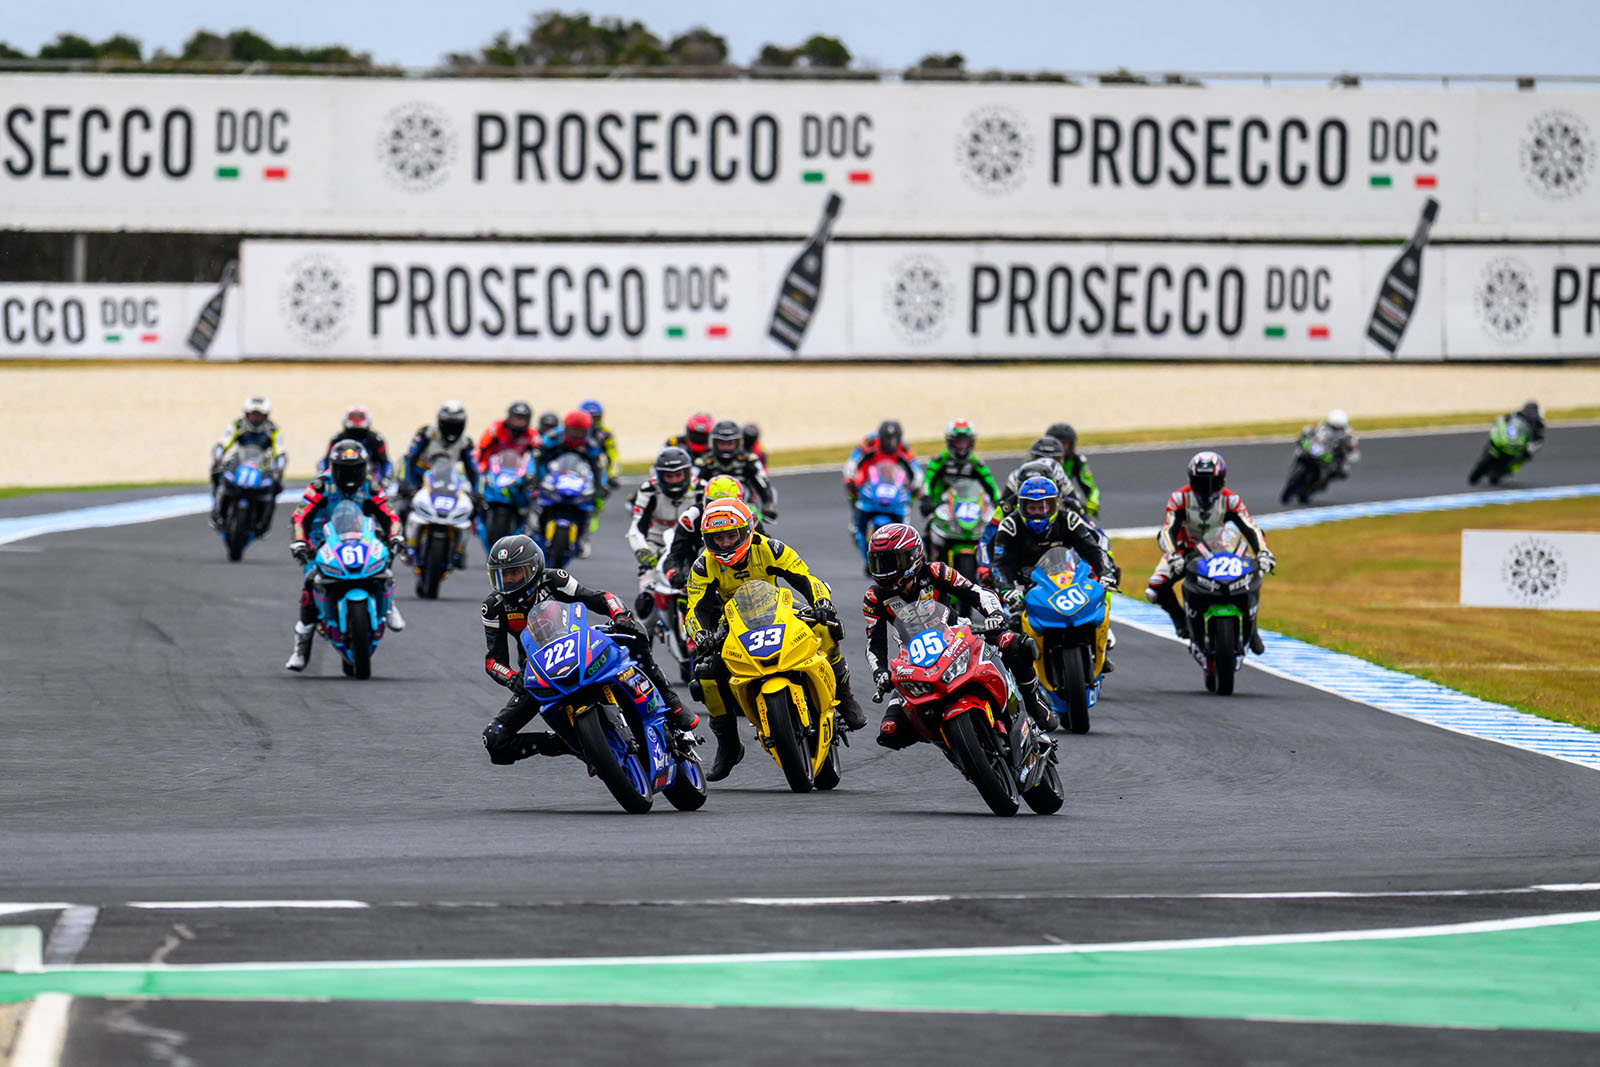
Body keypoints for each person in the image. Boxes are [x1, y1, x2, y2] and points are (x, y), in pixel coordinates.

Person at [686, 498, 868, 779]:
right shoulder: (703, 566)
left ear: (747, 530)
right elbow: (694, 608)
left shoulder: (771, 548)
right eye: (717, 538)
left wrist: (821, 602)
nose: (725, 543)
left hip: (780, 609)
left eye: (731, 535)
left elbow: (805, 578)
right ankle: (729, 744)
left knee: (826, 628)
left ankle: (844, 695)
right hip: (733, 622)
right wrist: (700, 634)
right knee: (706, 672)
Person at [479, 535, 698, 766]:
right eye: (502, 575)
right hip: (538, 673)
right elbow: (493, 660)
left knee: (635, 633)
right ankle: (572, 744)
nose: (508, 581)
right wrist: (511, 677)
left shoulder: (554, 579)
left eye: (515, 572)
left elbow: (599, 598)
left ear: (533, 568)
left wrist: (620, 616)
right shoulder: (493, 607)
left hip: (580, 647)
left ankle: (670, 700)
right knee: (494, 739)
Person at [862, 525, 1057, 746]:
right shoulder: (874, 597)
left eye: (891, 561)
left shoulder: (936, 572)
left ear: (913, 557)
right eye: (878, 562)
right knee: (890, 732)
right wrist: (880, 672)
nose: (884, 570)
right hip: (915, 661)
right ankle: (949, 740)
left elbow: (977, 593)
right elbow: (874, 644)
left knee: (1014, 644)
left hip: (960, 637)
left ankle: (1033, 701)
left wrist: (994, 615)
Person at [285, 440, 408, 671]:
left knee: (385, 558)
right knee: (311, 581)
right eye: (344, 470)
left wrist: (395, 537)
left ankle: (388, 603)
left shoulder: (371, 486)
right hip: (321, 541)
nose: (350, 476)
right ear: (333, 467)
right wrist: (300, 542)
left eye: (355, 469)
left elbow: (390, 516)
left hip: (362, 537)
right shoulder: (320, 486)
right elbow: (299, 516)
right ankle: (301, 646)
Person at [1145, 451, 1275, 645]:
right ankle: (1180, 619)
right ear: (1191, 480)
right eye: (1200, 482)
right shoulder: (1179, 498)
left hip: (1219, 549)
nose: (1206, 489)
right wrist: (1173, 554)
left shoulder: (1231, 500)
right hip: (1185, 551)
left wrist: (1263, 552)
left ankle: (1252, 627)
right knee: (1156, 585)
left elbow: (1251, 528)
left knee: (1252, 574)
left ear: (1222, 481)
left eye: (1212, 483)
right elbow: (1167, 530)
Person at [992, 476, 1118, 606]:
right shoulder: (1010, 526)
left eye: (1042, 508)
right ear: (1022, 506)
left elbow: (1092, 549)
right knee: (1013, 615)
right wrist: (1007, 589)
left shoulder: (1069, 520)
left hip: (1066, 581)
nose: (1037, 513)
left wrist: (1105, 573)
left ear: (1054, 505)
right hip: (1024, 587)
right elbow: (1000, 564)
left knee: (1098, 602)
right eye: (1032, 508)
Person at [626, 446, 697, 617]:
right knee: (645, 606)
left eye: (678, 475)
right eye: (668, 476)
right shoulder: (648, 489)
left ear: (687, 474)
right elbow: (636, 527)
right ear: (659, 476)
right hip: (656, 547)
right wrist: (643, 552)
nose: (674, 481)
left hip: (691, 547)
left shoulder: (701, 488)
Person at [210, 395, 286, 532]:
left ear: (266, 416)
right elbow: (223, 442)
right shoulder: (237, 425)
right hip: (239, 462)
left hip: (262, 465)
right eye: (253, 415)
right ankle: (217, 511)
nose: (256, 419)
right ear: (246, 414)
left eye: (260, 416)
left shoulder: (273, 430)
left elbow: (280, 451)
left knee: (275, 486)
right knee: (218, 474)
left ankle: (264, 523)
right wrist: (218, 458)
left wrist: (279, 469)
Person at [660, 474, 746, 592]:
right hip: (699, 571)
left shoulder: (749, 518)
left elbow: (764, 545)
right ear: (704, 501)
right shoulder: (691, 517)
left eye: (728, 505)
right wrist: (674, 572)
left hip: (742, 570)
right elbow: (675, 554)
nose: (721, 513)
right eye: (714, 504)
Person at [692, 419, 777, 519]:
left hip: (745, 505)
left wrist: (768, 504)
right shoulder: (703, 462)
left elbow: (762, 481)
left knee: (756, 520)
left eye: (729, 443)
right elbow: (692, 483)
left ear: (737, 443)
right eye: (722, 443)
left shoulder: (749, 460)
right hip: (711, 507)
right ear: (714, 443)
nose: (726, 447)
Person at [919, 419, 1002, 518]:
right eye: (958, 442)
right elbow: (928, 481)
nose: (962, 447)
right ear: (950, 442)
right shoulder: (940, 460)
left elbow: (990, 483)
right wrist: (926, 498)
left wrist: (999, 501)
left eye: (965, 442)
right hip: (941, 507)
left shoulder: (976, 462)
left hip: (969, 506)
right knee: (931, 521)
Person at [843, 419, 922, 505]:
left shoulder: (903, 447)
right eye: (887, 439)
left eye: (894, 439)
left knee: (912, 489)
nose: (890, 443)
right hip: (869, 478)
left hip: (892, 481)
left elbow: (916, 469)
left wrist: (915, 487)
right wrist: (850, 479)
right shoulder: (870, 442)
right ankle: (857, 506)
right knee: (853, 484)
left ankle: (905, 509)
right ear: (880, 437)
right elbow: (852, 461)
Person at [320, 405, 392, 484]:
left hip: (371, 478)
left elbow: (385, 462)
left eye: (360, 417)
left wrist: (386, 479)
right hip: (341, 478)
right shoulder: (337, 438)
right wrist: (322, 477)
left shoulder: (376, 439)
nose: (357, 420)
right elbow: (326, 461)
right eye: (353, 417)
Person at [1044, 423, 1101, 517]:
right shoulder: (1035, 459)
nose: (1060, 449)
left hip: (1066, 498)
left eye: (1064, 444)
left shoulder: (1077, 460)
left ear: (1071, 445)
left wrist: (1093, 502)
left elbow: (1091, 487)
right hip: (1040, 501)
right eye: (1056, 444)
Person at [477, 402, 535, 472]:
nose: (519, 421)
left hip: (519, 471)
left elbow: (538, 450)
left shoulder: (531, 434)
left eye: (523, 419)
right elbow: (483, 447)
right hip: (495, 469)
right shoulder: (496, 429)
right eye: (516, 418)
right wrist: (484, 465)